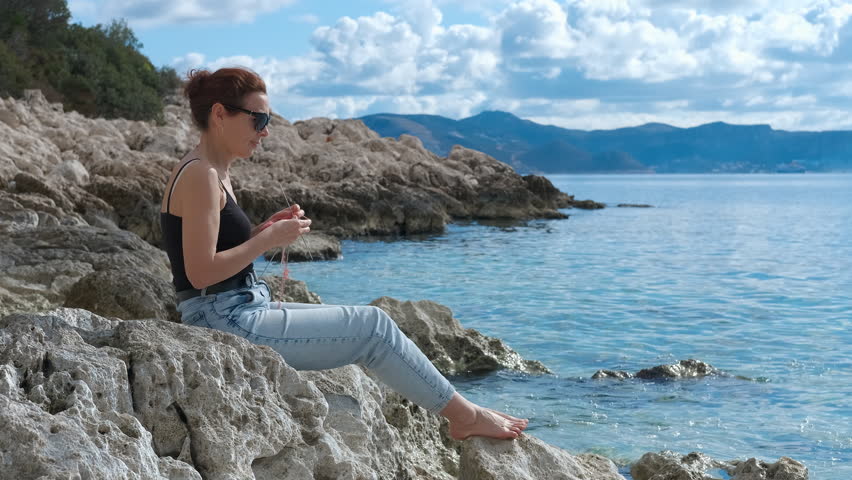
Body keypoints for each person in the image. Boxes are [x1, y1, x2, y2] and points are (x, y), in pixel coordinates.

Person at [159, 66, 529, 441]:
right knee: (372, 328)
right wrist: (267, 242)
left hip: (235, 308)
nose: (266, 131)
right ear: (220, 114)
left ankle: (463, 412)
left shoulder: (214, 171)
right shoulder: (201, 175)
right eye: (260, 119)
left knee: (374, 323)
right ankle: (464, 417)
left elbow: (216, 251)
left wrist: (262, 230)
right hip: (222, 318)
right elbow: (201, 273)